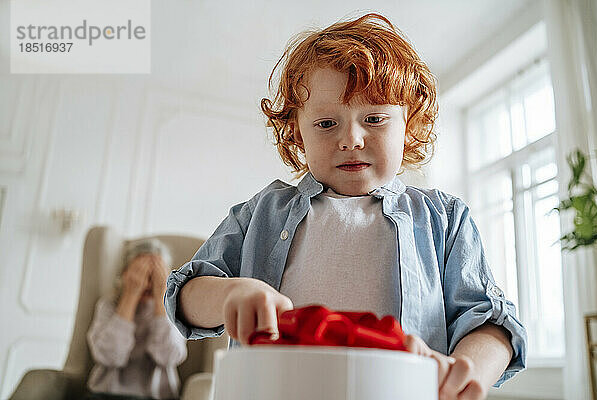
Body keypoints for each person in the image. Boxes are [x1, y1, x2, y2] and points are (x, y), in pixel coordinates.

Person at [165, 13, 526, 400]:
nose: (351, 139)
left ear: (409, 125)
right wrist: (228, 295)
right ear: (297, 133)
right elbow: (184, 294)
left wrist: (466, 370)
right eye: (325, 124)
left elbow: (492, 322)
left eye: (374, 118)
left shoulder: (445, 219)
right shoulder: (262, 212)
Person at [87, 239, 187, 400]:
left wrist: (162, 297)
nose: (146, 283)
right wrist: (130, 295)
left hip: (155, 396)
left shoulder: (176, 309)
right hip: (106, 393)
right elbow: (110, 356)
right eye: (140, 273)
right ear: (125, 274)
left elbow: (169, 356)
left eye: (154, 275)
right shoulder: (108, 305)